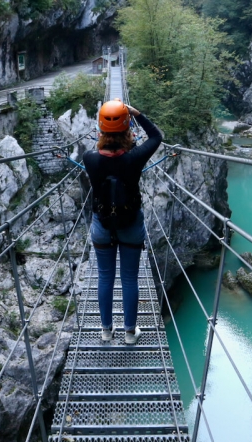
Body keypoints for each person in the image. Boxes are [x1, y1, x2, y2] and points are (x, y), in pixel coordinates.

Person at [83, 99, 162, 345]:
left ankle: (106, 330)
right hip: (130, 224)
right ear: (127, 128)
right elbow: (156, 136)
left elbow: (103, 156)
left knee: (105, 277)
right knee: (130, 279)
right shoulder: (135, 157)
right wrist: (137, 113)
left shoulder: (89, 158)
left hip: (102, 225)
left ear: (101, 130)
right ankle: (130, 333)